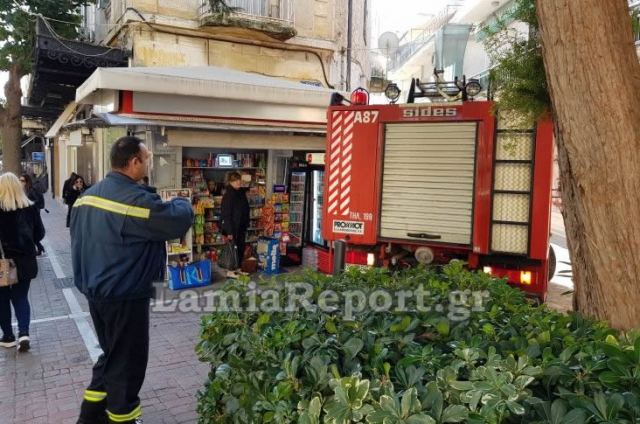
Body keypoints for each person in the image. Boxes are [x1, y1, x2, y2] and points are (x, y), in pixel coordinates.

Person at [71, 136, 193, 424]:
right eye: (146, 158)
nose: (148, 162)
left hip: (96, 291)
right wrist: (181, 201)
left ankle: (89, 417)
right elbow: (176, 220)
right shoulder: (133, 201)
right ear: (134, 162)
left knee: (111, 355)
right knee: (128, 364)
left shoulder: (87, 196)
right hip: (125, 294)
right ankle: (122, 417)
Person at [0, 172, 45, 352]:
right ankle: (24, 333)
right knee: (20, 297)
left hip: (2, 262)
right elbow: (40, 233)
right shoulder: (30, 207)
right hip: (25, 261)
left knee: (2, 299)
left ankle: (8, 336)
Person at [220, 172, 250, 274]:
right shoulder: (228, 195)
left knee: (240, 247)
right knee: (232, 248)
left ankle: (238, 268)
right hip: (232, 227)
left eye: (238, 179)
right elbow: (226, 215)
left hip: (241, 225)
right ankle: (230, 270)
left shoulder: (241, 192)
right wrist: (229, 231)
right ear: (230, 182)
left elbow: (245, 208)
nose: (238, 182)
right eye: (235, 180)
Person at [20, 174, 46, 255]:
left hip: (33, 215)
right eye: (19, 180)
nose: (20, 182)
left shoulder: (31, 190)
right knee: (31, 233)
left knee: (32, 233)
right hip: (27, 214)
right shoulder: (24, 190)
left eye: (22, 181)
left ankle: (36, 249)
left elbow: (36, 201)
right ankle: (40, 247)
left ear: (27, 181)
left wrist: (28, 204)